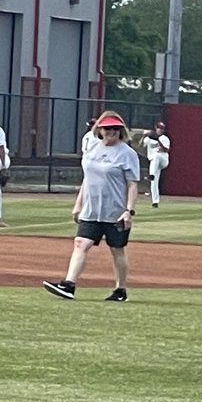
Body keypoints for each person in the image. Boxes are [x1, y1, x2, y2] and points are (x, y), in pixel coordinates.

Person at [42, 110, 140, 302]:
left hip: (115, 211)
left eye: (115, 128)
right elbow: (87, 179)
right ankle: (69, 285)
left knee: (117, 249)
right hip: (91, 209)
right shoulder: (92, 149)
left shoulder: (127, 154)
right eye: (107, 128)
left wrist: (129, 211)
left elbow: (133, 184)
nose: (111, 131)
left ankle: (120, 290)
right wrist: (78, 205)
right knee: (81, 243)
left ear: (121, 131)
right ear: (100, 130)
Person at [142, 120, 170, 207]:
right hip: (154, 162)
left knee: (156, 156)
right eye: (159, 128)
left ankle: (151, 175)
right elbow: (139, 145)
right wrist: (143, 136)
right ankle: (155, 202)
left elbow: (166, 150)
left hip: (163, 160)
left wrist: (158, 140)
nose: (161, 130)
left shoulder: (165, 138)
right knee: (154, 182)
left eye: (162, 129)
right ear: (156, 128)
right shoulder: (149, 138)